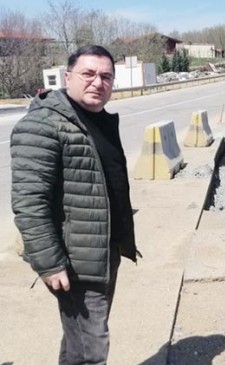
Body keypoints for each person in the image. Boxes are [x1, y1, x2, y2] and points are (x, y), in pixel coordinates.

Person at [10, 45, 139, 364]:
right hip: (74, 261)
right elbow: (29, 203)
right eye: (89, 74)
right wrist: (50, 263)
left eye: (106, 76)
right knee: (92, 348)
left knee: (79, 341)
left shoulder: (100, 121)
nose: (98, 82)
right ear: (68, 78)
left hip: (104, 253)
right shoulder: (42, 124)